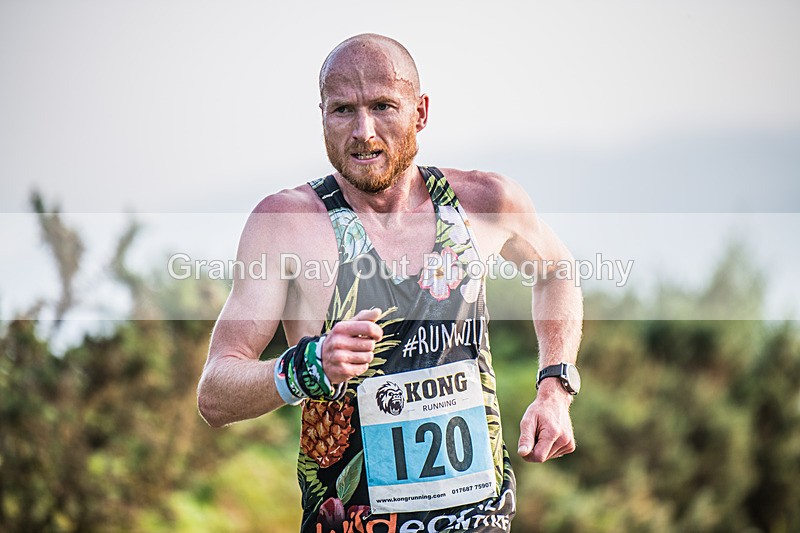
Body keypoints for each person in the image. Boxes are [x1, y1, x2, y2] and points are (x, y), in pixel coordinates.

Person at [197, 33, 583, 533]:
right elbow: (214, 394)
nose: (363, 131)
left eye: (383, 106)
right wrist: (306, 367)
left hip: (479, 521)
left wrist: (555, 387)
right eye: (342, 110)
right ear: (321, 116)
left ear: (420, 113)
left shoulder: (484, 202)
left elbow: (556, 272)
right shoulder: (286, 224)